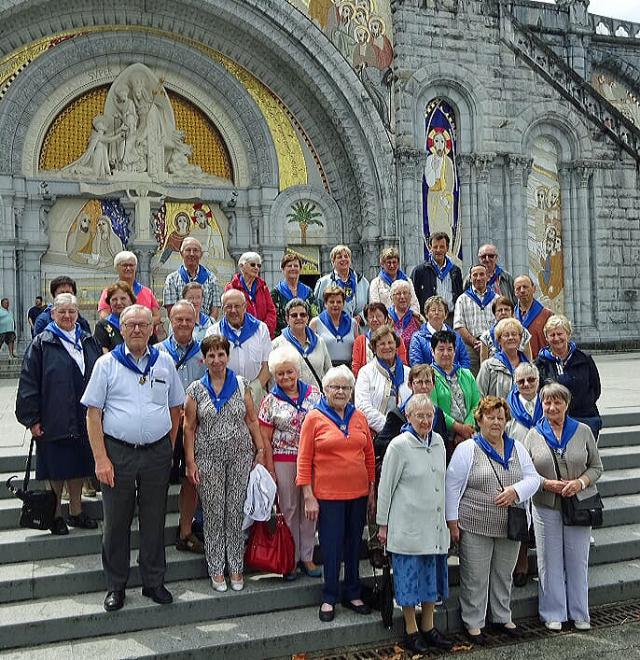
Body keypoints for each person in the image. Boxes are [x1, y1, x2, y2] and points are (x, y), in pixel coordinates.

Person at [82, 304, 185, 612]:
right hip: (118, 454)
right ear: (122, 329)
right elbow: (93, 413)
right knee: (116, 522)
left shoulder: (164, 361)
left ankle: (154, 581)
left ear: (152, 329)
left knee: (154, 520)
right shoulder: (106, 364)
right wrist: (101, 459)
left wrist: (167, 445)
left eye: (143, 324)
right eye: (131, 325)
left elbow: (176, 407)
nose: (138, 329)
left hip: (156, 453)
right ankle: (116, 585)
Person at [446, 396, 540, 643]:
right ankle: (473, 622)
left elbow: (533, 479)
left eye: (501, 418)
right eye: (490, 417)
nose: (496, 422)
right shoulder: (468, 448)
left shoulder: (517, 447)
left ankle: (501, 617)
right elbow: (452, 486)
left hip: (510, 525)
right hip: (475, 524)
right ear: (479, 419)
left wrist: (515, 492)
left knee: (503, 574)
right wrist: (452, 521)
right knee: (474, 576)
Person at [183, 335, 266, 592]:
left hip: (240, 456)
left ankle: (236, 567)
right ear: (204, 359)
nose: (216, 360)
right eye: (211, 355)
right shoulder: (196, 389)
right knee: (215, 513)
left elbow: (252, 420)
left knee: (235, 512)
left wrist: (260, 448)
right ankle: (217, 568)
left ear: (227, 357)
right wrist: (190, 461)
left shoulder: (241, 385)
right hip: (208, 459)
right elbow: (189, 427)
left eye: (221, 354)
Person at [16, 293, 101, 535]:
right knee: (55, 468)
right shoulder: (42, 343)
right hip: (54, 416)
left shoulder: (87, 339)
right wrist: (32, 419)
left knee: (78, 465)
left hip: (83, 416)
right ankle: (55, 515)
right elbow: (28, 382)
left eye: (71, 311)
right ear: (52, 314)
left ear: (77, 314)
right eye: (61, 311)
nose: (67, 316)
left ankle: (75, 511)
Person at [297, 366, 375, 622]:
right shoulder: (314, 417)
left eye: (345, 388)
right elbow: (304, 458)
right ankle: (329, 596)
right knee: (331, 547)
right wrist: (308, 494)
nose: (340, 391)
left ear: (351, 391)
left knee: (354, 544)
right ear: (325, 390)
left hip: (358, 493)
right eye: (335, 387)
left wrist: (371, 489)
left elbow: (369, 456)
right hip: (328, 495)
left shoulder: (359, 416)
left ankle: (352, 592)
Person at [523, 383, 603, 632]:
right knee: (549, 560)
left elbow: (596, 466)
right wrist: (546, 483)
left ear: (567, 405)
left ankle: (580, 612)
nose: (552, 407)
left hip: (579, 504)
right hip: (546, 505)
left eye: (557, 402)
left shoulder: (583, 431)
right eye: (547, 402)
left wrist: (580, 483)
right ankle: (553, 612)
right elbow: (526, 472)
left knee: (578, 559)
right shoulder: (533, 435)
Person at [377, 395, 453, 654]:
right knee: (408, 580)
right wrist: (382, 525)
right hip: (407, 524)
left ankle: (429, 626)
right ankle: (411, 630)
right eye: (419, 416)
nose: (425, 420)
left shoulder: (440, 442)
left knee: (431, 579)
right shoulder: (399, 445)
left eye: (429, 415)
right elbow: (385, 487)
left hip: (433, 525)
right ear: (408, 417)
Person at [258, 345, 322, 579]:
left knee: (310, 510)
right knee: (289, 508)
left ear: (297, 371)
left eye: (289, 372)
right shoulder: (269, 400)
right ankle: (291, 558)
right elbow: (264, 436)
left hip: (312, 459)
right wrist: (270, 468)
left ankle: (308, 557)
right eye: (280, 373)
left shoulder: (314, 394)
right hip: (283, 459)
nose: (286, 377)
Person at [157, 300, 206, 555]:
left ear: (195, 321)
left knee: (191, 478)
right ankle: (152, 532)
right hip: (163, 426)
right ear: (170, 321)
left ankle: (185, 531)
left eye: (189, 319)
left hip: (194, 428)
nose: (184, 324)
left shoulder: (204, 352)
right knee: (157, 480)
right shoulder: (157, 351)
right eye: (179, 319)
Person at [506, 362, 543, 588]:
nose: (527, 384)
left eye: (531, 380)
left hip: (544, 470)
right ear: (515, 383)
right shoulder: (509, 408)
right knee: (520, 519)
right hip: (518, 472)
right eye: (521, 381)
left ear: (538, 381)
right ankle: (520, 564)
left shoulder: (546, 403)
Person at [535, 315, 602, 440]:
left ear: (568, 334)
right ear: (546, 338)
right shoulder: (540, 364)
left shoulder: (584, 359)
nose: (556, 338)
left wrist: (584, 402)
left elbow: (595, 389)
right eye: (552, 335)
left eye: (560, 334)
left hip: (585, 418)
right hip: (554, 422)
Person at [205, 289, 272, 408]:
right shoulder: (213, 332)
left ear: (245, 307)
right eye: (228, 307)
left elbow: (267, 366)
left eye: (237, 306)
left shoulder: (261, 329)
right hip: (224, 396)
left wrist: (253, 390)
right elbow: (210, 367)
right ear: (222, 308)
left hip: (255, 395)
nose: (233, 311)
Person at [376, 364, 450, 464]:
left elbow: (444, 447)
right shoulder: (398, 414)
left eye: (428, 382)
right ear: (410, 385)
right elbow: (380, 444)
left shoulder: (438, 413)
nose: (424, 386)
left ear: (433, 385)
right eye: (419, 382)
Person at [354, 326, 411, 435]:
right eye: (382, 344)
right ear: (374, 348)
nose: (387, 347)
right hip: (377, 435)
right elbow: (362, 407)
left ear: (396, 345)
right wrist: (390, 428)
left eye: (390, 342)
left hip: (407, 434)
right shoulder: (365, 372)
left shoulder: (408, 372)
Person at [430, 330, 481, 448]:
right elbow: (433, 408)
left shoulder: (466, 374)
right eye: (441, 349)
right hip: (442, 437)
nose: (446, 353)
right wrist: (459, 428)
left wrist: (466, 428)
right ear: (432, 351)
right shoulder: (429, 376)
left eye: (450, 349)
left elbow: (476, 404)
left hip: (468, 434)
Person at [271, 298, 332, 392]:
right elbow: (272, 378)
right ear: (287, 319)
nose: (299, 318)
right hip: (288, 400)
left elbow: (329, 372)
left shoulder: (319, 342)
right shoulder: (277, 344)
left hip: (316, 400)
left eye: (303, 315)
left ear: (307, 318)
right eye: (294, 315)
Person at [97, 252, 162, 336]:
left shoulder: (147, 292)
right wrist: (126, 327)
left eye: (131, 265)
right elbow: (104, 317)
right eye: (124, 265)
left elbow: (157, 317)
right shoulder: (108, 292)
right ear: (117, 267)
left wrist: (141, 324)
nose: (128, 268)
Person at [411, 232, 463, 323]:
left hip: (451, 319)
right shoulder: (419, 271)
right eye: (435, 247)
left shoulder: (455, 271)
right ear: (430, 248)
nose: (438, 250)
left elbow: (460, 295)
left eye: (442, 247)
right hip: (428, 320)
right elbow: (414, 297)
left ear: (447, 248)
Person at [163, 237, 221, 318]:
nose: (192, 254)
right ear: (181, 253)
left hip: (205, 328)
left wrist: (206, 328)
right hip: (180, 326)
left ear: (201, 254)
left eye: (195, 250)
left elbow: (215, 309)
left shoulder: (212, 279)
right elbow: (171, 311)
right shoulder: (172, 279)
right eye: (188, 250)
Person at [454, 264, 496, 375]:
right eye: (475, 275)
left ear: (487, 277)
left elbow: (500, 324)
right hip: (470, 345)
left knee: (492, 376)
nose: (478, 278)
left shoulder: (496, 299)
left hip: (492, 345)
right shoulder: (462, 299)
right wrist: (475, 342)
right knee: (471, 376)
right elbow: (459, 326)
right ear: (470, 278)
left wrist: (487, 343)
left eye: (482, 274)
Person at [225, 251, 277, 338]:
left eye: (259, 265)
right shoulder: (232, 287)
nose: (256, 268)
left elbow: (271, 311)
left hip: (264, 335)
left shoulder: (263, 287)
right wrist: (251, 332)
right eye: (253, 264)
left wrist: (263, 329)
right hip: (241, 336)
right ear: (242, 266)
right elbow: (232, 313)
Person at [409, 295, 470, 369]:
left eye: (440, 310)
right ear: (426, 314)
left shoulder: (456, 337)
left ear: (446, 315)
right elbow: (416, 365)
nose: (437, 313)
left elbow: (465, 361)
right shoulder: (417, 338)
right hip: (429, 378)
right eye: (433, 310)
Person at [313, 245, 369, 324]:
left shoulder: (362, 281)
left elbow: (370, 305)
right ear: (333, 261)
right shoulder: (323, 282)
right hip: (331, 329)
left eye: (346, 256)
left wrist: (361, 317)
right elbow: (316, 308)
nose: (343, 259)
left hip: (358, 329)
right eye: (339, 257)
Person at [476, 318, 530, 400]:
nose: (511, 338)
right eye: (506, 335)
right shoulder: (488, 366)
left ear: (520, 338)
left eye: (514, 334)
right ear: (499, 340)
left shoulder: (529, 367)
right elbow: (479, 397)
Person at [351, 302, 407, 377]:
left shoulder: (396, 338)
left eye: (378, 316)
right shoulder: (360, 341)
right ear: (367, 320)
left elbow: (403, 363)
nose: (375, 319)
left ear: (386, 318)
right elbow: (356, 367)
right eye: (371, 317)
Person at [271, 252, 320, 335]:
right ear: (282, 269)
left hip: (306, 337)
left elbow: (315, 315)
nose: (293, 268)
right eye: (289, 266)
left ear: (300, 269)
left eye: (296, 266)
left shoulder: (308, 292)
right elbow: (274, 320)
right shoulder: (276, 293)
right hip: (284, 338)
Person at [310, 285, 359, 368]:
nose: (335, 305)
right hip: (325, 370)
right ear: (325, 304)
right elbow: (311, 351)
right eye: (332, 302)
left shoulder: (353, 323)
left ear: (343, 304)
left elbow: (358, 349)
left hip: (348, 370)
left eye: (339, 302)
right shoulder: (316, 322)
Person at [479, 296, 532, 362]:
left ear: (512, 312)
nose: (503, 313)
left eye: (506, 309)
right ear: (494, 314)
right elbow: (483, 364)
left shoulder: (523, 332)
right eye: (500, 310)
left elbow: (528, 360)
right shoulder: (486, 336)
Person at [368, 247, 420, 314]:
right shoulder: (376, 283)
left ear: (398, 263)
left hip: (406, 321)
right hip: (386, 322)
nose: (392, 266)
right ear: (382, 264)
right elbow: (375, 307)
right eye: (389, 263)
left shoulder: (407, 281)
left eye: (394, 262)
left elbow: (415, 305)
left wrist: (406, 318)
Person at [513, 275, 553, 359]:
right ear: (515, 292)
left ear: (534, 288)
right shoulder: (511, 316)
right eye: (518, 288)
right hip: (517, 366)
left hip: (542, 364)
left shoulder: (547, 315)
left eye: (525, 287)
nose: (522, 290)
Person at [93, 281, 136, 354]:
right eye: (114, 299)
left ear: (131, 300)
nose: (118, 303)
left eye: (123, 298)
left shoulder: (141, 323)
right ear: (109, 302)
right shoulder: (103, 326)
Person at [389, 280, 423, 350]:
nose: (402, 297)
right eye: (398, 293)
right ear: (391, 297)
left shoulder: (418, 319)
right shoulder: (386, 318)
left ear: (410, 296)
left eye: (405, 293)